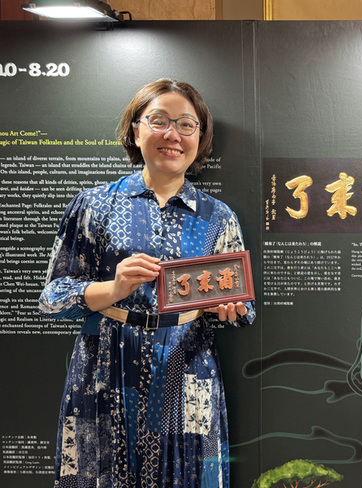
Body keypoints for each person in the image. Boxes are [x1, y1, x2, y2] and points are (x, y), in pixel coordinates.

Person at [39, 78, 255, 488]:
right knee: (98, 473)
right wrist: (114, 288)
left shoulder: (218, 216)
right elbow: (52, 298)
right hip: (104, 360)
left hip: (186, 365)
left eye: (186, 125)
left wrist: (231, 308)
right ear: (136, 130)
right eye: (159, 121)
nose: (173, 135)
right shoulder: (94, 204)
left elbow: (244, 311)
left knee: (187, 475)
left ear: (200, 139)